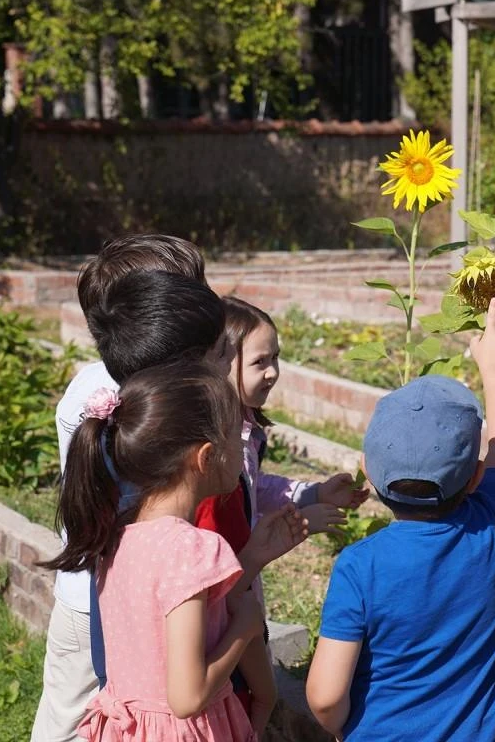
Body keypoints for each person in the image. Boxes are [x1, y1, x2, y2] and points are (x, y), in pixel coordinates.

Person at [33, 233, 231, 742]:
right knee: (83, 718)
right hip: (105, 610)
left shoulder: (130, 392)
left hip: (133, 604)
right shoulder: (130, 412)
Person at [42, 359, 302, 741]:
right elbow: (187, 697)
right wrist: (244, 630)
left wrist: (251, 559)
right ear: (206, 456)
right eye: (236, 438)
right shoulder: (193, 549)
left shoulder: (116, 534)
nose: (242, 451)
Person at [305, 298, 495, 742]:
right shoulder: (488, 526)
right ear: (476, 477)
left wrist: (344, 730)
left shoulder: (360, 565)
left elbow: (325, 697)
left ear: (368, 468)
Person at [195, 296, 365, 729]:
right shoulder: (211, 446)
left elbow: (255, 486)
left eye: (277, 358)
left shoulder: (246, 427)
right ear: (220, 361)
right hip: (221, 589)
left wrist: (313, 492)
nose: (273, 371)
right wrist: (302, 521)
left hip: (243, 580)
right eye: (259, 362)